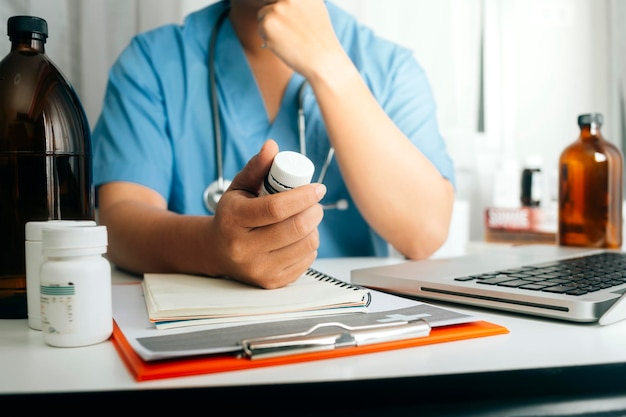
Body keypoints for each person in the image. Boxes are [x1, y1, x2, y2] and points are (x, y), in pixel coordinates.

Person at [92, 0, 456, 289]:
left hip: (349, 337)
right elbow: (120, 222)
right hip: (205, 328)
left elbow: (423, 234)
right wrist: (214, 248)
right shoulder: (153, 61)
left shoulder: (391, 68)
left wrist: (328, 66)